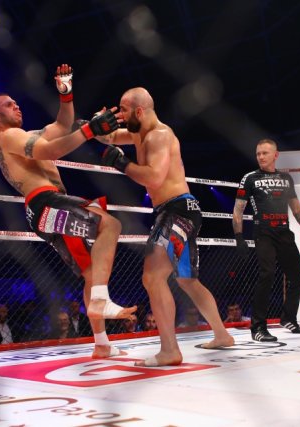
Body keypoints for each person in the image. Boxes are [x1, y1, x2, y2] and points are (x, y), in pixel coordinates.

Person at [0, 64, 136, 358]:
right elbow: (50, 151)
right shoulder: (9, 137)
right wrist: (90, 130)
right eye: (9, 104)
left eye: (15, 103)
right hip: (46, 202)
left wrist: (66, 93)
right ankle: (101, 300)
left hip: (47, 208)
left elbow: (62, 126)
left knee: (91, 270)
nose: (16, 105)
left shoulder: (26, 135)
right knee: (110, 225)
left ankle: (101, 344)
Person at [98, 87, 234, 366]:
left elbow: (155, 178)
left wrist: (122, 163)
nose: (119, 115)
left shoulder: (159, 135)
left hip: (177, 210)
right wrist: (97, 124)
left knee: (152, 277)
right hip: (180, 210)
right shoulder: (138, 134)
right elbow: (108, 137)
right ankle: (222, 335)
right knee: (187, 280)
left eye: (123, 110)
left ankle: (170, 350)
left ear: (139, 111)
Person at [232, 138, 300, 342]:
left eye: (265, 153)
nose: (261, 157)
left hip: (284, 232)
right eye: (258, 153)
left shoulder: (286, 178)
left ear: (275, 155)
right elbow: (238, 210)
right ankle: (258, 327)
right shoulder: (250, 178)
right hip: (264, 232)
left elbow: (296, 207)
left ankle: (288, 317)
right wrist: (239, 237)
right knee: (267, 275)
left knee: (298, 278)